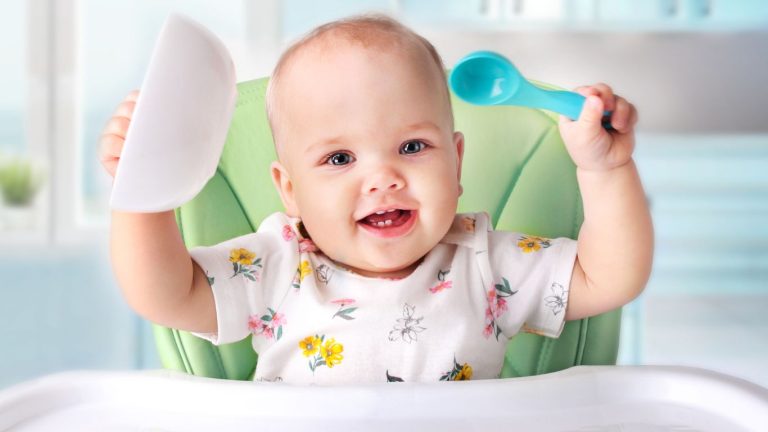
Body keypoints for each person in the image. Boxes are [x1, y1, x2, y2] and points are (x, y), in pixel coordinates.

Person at [99, 15, 652, 384]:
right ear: (289, 190)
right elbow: (166, 294)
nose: (383, 178)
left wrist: (605, 169)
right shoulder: (276, 265)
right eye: (340, 159)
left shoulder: (485, 262)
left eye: (412, 146)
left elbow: (609, 277)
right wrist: (143, 191)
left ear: (457, 163)